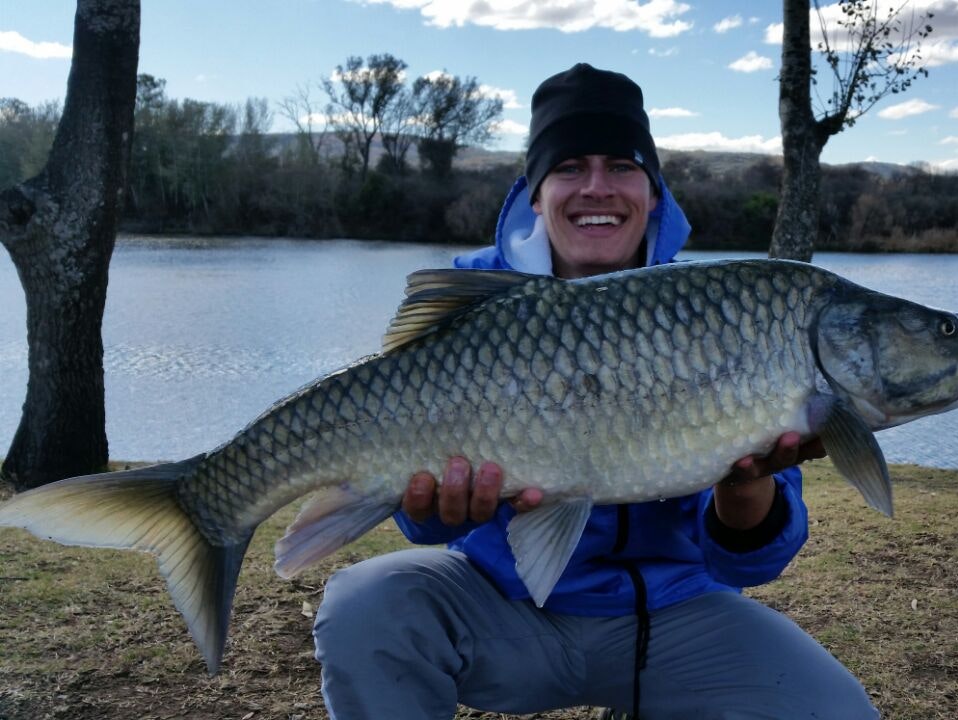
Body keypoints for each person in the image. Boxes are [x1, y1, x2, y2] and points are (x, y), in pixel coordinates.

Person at [313, 63, 880, 720]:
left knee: (838, 712)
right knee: (366, 606)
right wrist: (441, 506)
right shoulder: (475, 310)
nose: (596, 187)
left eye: (621, 166)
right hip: (503, 611)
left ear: (654, 192)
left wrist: (747, 486)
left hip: (675, 617)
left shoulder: (728, 312)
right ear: (535, 193)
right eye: (569, 167)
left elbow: (751, 564)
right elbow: (420, 520)